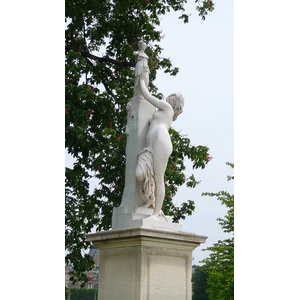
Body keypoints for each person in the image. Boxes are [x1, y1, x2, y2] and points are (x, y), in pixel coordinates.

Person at [135, 72, 184, 219]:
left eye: (171, 95)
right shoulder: (164, 110)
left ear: (174, 101)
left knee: (158, 178)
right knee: (139, 173)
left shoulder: (167, 108)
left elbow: (147, 96)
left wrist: (141, 79)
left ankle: (156, 213)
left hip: (161, 142)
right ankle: (150, 199)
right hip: (150, 146)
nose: (168, 96)